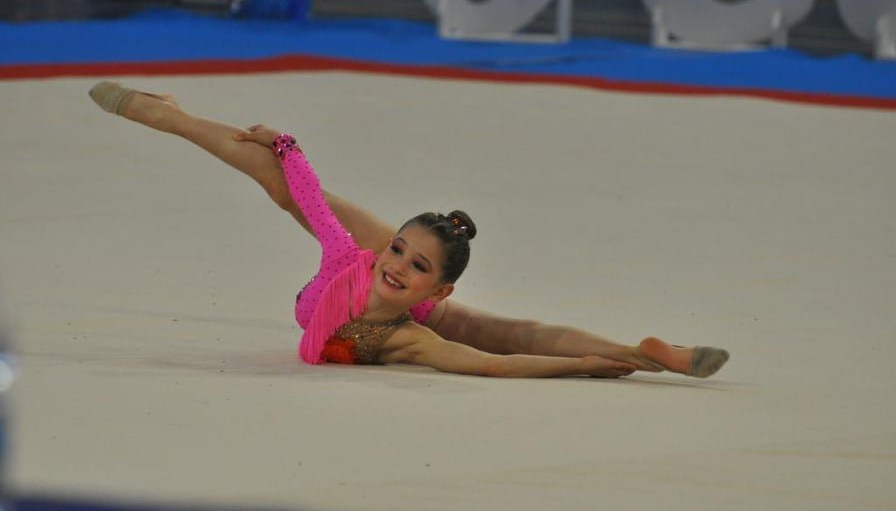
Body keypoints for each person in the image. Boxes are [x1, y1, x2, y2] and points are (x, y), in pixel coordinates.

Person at [88, 81, 730, 379]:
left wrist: (586, 366)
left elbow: (490, 365)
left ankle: (644, 352)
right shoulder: (360, 256)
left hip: (393, 311)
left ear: (436, 291)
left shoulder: (409, 335)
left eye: (415, 265)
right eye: (398, 251)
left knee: (513, 333)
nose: (397, 262)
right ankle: (168, 116)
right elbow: (305, 191)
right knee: (281, 186)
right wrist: (282, 142)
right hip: (362, 282)